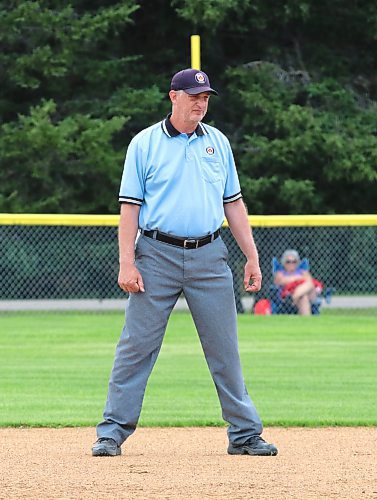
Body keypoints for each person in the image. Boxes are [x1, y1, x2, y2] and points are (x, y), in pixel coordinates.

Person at [92, 68, 277, 457]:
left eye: (206, 97)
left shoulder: (218, 142)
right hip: (156, 254)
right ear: (173, 96)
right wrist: (127, 263)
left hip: (210, 255)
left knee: (224, 347)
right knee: (137, 346)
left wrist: (252, 256)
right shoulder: (144, 143)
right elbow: (129, 207)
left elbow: (234, 203)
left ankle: (244, 434)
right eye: (194, 95)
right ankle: (111, 431)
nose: (201, 102)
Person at [274, 249, 322, 315]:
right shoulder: (280, 273)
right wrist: (299, 278)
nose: (291, 263)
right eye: (288, 261)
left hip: (309, 295)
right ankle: (307, 321)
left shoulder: (303, 272)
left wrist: (293, 279)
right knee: (303, 297)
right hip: (289, 295)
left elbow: (310, 283)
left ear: (297, 263)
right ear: (284, 263)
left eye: (294, 261)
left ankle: (294, 297)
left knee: (310, 284)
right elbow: (282, 281)